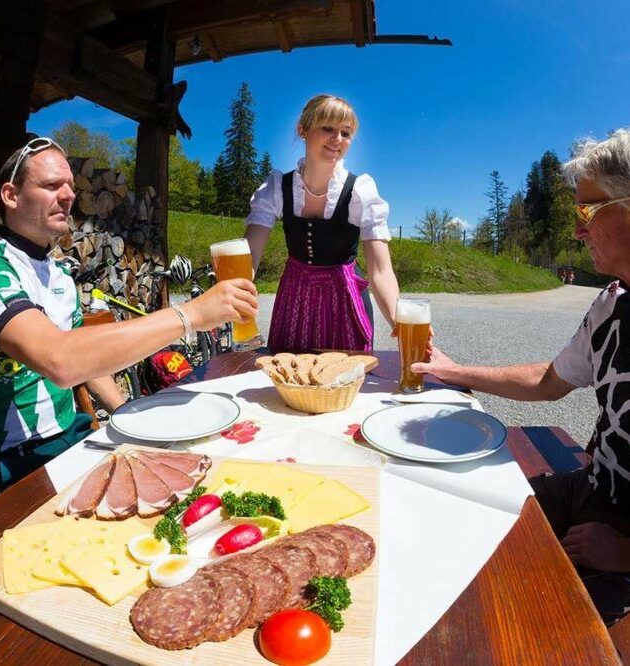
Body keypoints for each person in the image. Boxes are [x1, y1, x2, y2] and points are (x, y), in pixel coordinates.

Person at [411, 128, 630, 625]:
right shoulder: (612, 303)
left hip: (618, 536)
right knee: (460, 507)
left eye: (588, 212)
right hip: (595, 491)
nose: (577, 230)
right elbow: (549, 382)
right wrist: (451, 370)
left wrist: (626, 552)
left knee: (513, 616)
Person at [0, 137, 258, 503]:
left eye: (70, 185)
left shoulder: (58, 275)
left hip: (70, 435)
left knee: (198, 476)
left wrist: (125, 413)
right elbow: (61, 360)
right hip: (14, 458)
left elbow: (87, 362)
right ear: (11, 195)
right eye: (52, 185)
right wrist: (191, 314)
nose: (68, 195)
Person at [244, 94, 400, 353]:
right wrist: (230, 297)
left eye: (346, 133)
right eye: (328, 128)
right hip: (295, 298)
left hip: (345, 298)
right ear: (303, 130)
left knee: (345, 381)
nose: (337, 139)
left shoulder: (360, 190)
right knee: (288, 374)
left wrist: (400, 320)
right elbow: (249, 257)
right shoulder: (277, 188)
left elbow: (381, 272)